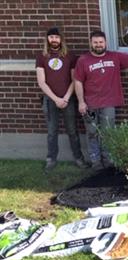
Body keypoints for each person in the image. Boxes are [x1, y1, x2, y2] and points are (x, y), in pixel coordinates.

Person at [74, 30, 128, 170]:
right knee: (92, 132)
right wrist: (81, 101)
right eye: (95, 42)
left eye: (101, 42)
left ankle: (108, 160)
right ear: (91, 43)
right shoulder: (83, 60)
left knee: (108, 132)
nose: (98, 45)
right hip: (90, 103)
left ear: (105, 43)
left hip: (109, 103)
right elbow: (78, 81)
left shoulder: (115, 57)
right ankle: (95, 162)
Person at [36, 27, 88, 171]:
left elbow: (75, 79)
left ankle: (79, 158)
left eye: (57, 37)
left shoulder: (70, 56)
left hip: (68, 99)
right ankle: (51, 159)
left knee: (72, 131)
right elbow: (41, 82)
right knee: (52, 132)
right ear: (47, 39)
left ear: (61, 39)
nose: (54, 40)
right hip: (50, 99)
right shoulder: (42, 56)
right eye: (51, 37)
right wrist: (55, 98)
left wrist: (65, 98)